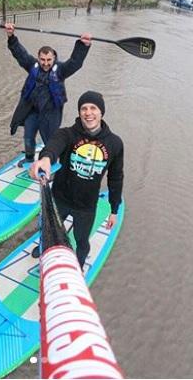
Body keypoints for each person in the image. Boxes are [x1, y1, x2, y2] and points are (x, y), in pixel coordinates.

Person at [29, 91, 124, 270]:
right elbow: (53, 146)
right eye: (84, 108)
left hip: (86, 206)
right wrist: (46, 159)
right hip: (59, 198)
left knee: (81, 241)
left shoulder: (115, 144)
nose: (88, 113)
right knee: (47, 230)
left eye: (93, 108)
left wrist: (114, 209)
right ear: (79, 112)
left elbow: (116, 177)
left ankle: (77, 267)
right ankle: (43, 248)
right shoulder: (67, 134)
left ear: (101, 112)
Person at [5, 23, 92, 167]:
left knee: (50, 141)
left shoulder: (61, 70)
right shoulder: (32, 65)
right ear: (38, 58)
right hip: (32, 111)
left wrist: (83, 45)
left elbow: (75, 62)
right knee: (28, 137)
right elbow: (20, 53)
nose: (45, 63)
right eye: (42, 60)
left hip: (50, 114)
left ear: (54, 58)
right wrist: (11, 36)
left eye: (49, 60)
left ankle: (51, 163)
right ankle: (29, 158)